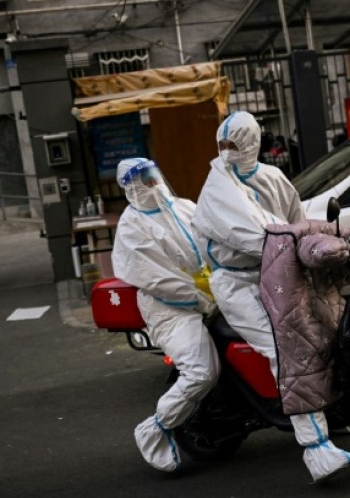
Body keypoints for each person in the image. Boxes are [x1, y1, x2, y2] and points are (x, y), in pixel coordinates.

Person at [192, 110, 350, 483]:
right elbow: (259, 237)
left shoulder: (272, 177)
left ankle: (338, 415)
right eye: (223, 144)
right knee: (287, 346)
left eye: (236, 144)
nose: (228, 152)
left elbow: (296, 220)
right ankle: (316, 447)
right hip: (239, 284)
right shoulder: (217, 190)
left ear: (253, 143)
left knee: (326, 332)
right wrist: (300, 243)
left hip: (283, 271)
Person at [111, 158, 219, 473]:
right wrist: (198, 297)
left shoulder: (182, 206)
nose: (152, 185)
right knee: (202, 371)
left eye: (154, 176)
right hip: (171, 311)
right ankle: (156, 427)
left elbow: (214, 239)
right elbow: (158, 281)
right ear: (130, 187)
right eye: (143, 180)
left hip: (212, 295)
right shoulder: (132, 227)